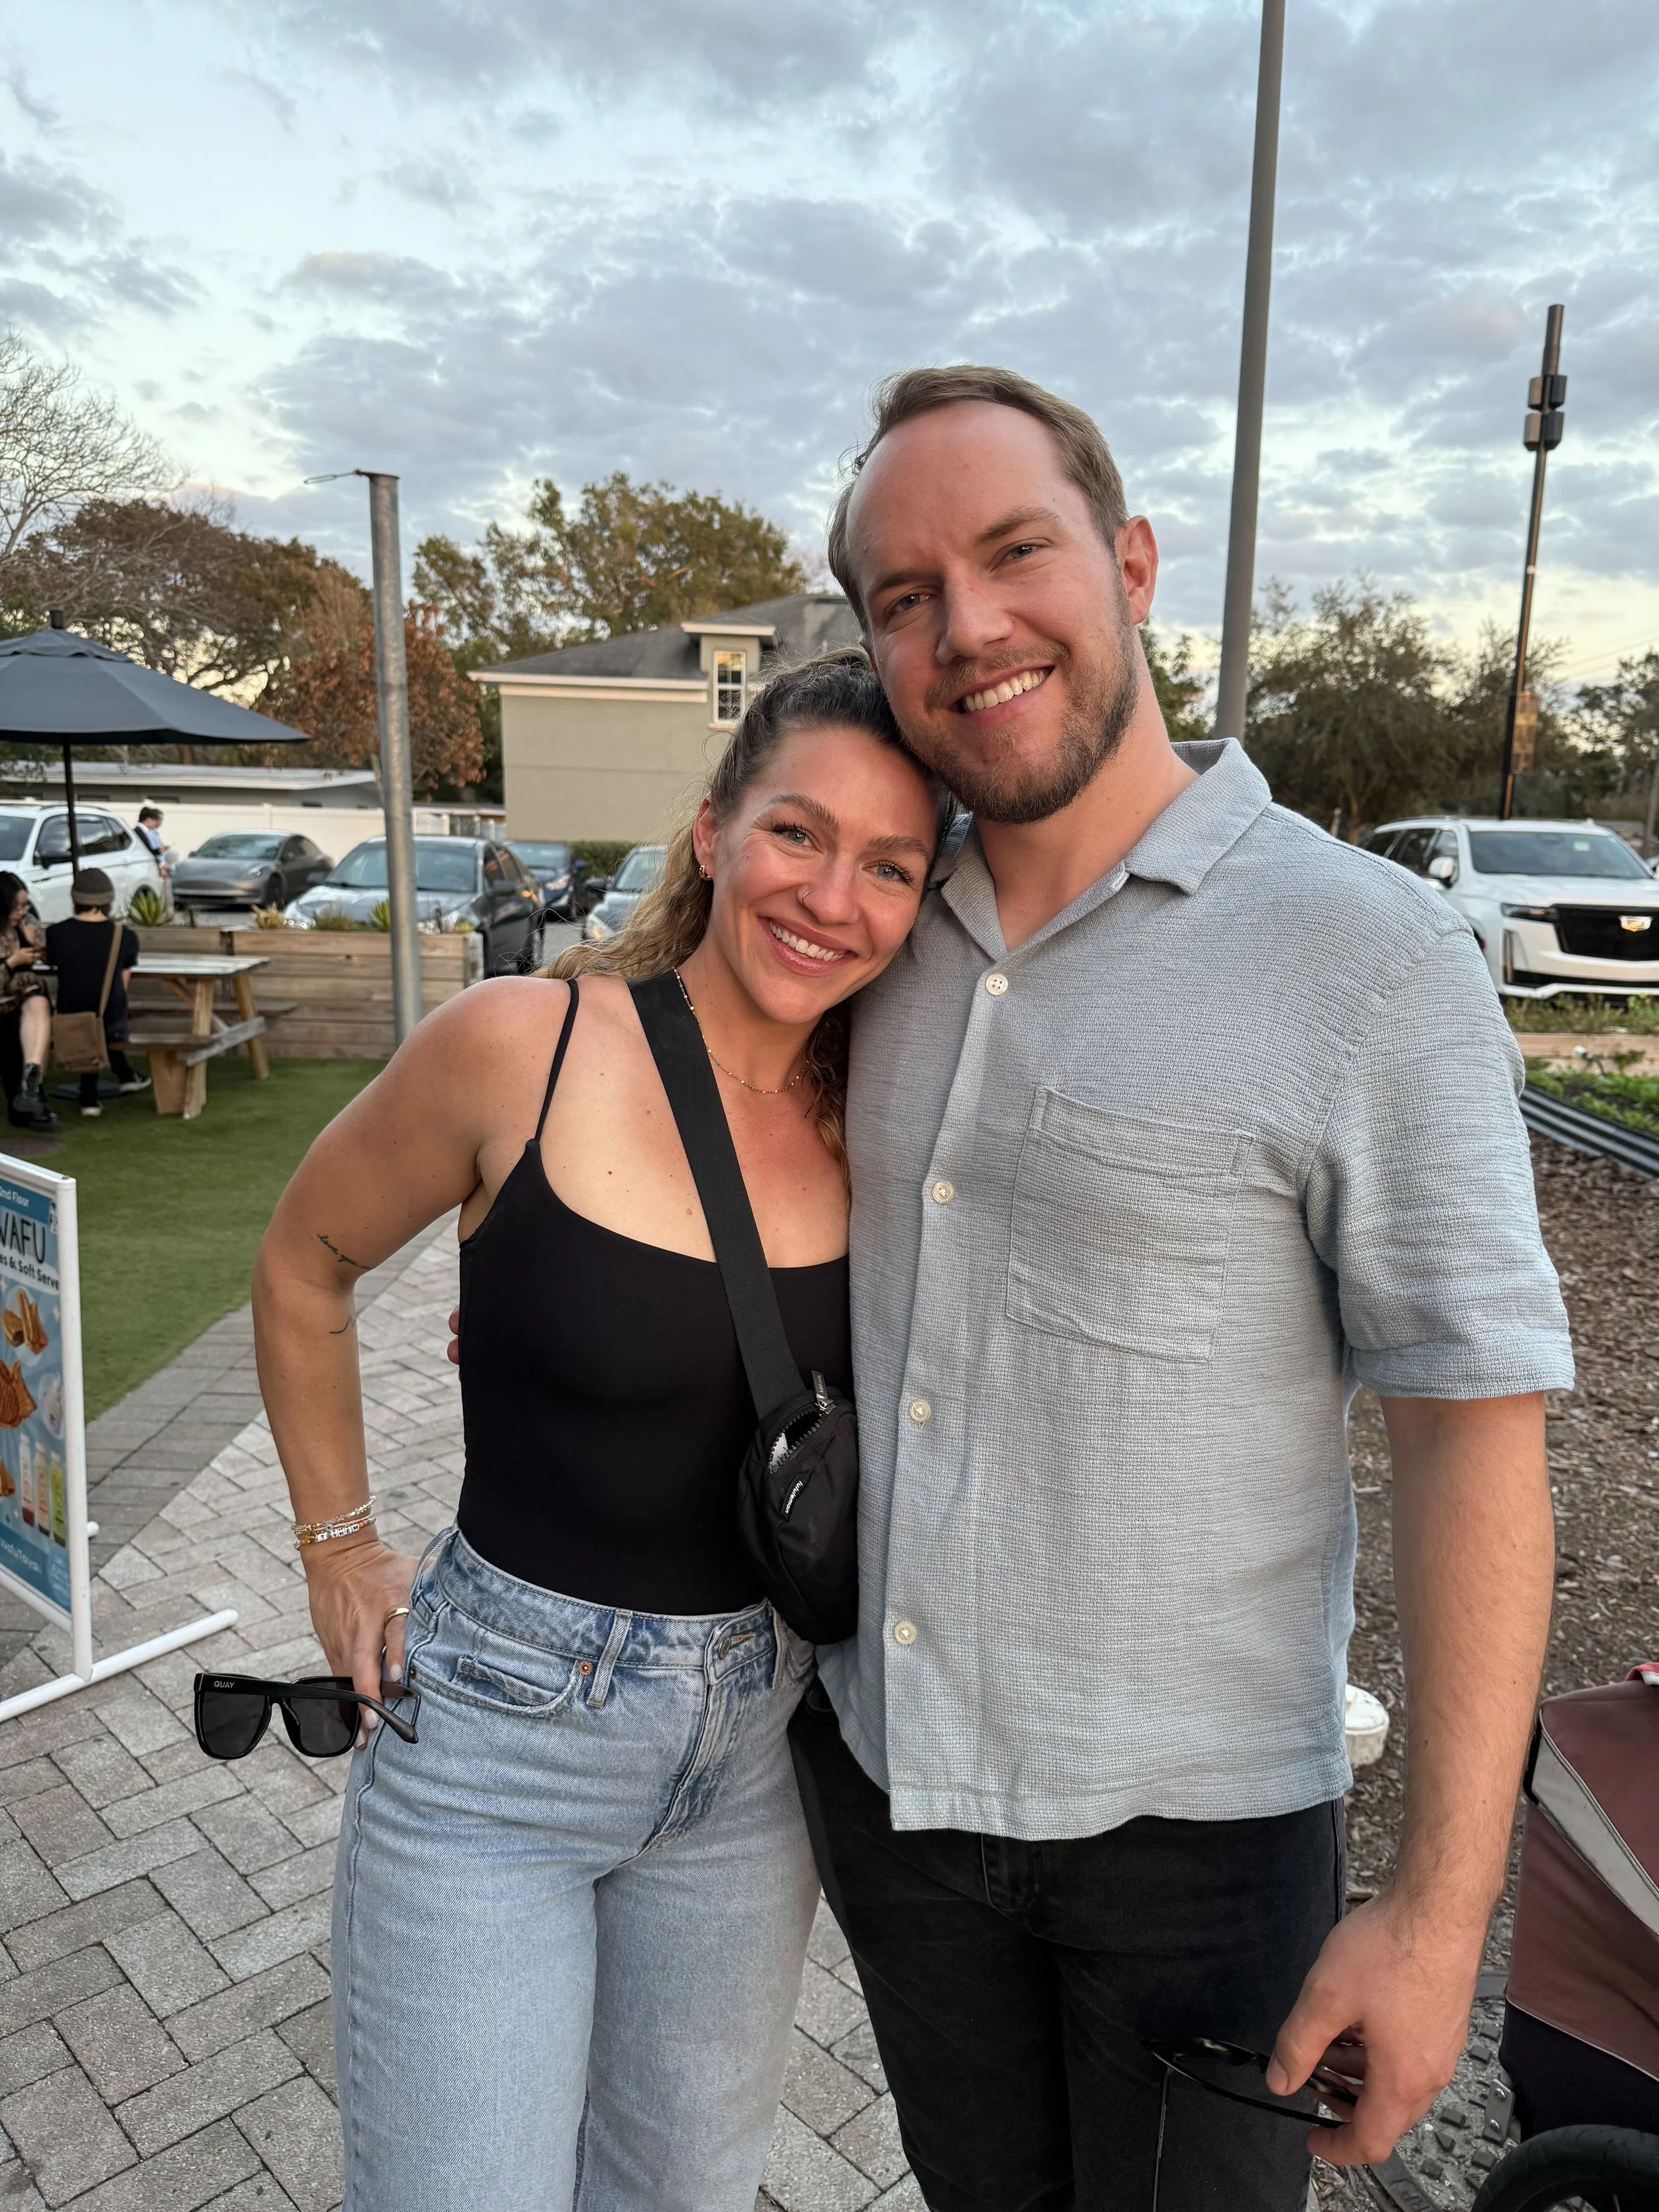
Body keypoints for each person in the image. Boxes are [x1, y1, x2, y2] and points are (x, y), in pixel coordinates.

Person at [776, 368, 1573, 2211]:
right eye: (901, 596)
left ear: (1129, 564)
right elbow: (704, 1119)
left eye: (1010, 552)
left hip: (1196, 1854)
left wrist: (1439, 1907)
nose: (963, 626)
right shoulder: (879, 921)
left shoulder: (1365, 956)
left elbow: (1474, 1438)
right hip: (892, 1793)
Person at [251, 653, 948, 2212]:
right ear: (711, 831)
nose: (833, 895)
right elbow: (303, 1259)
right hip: (496, 1747)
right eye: (798, 833)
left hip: (755, 1762)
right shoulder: (526, 1045)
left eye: (889, 865)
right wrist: (337, 1546)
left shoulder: (893, 1117)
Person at [44, 870, 149, 1117]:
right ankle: (114, 1082)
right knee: (101, 1020)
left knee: (88, 1021)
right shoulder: (125, 936)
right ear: (108, 900)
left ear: (75, 898)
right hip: (110, 1015)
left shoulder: (56, 934)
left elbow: (57, 963)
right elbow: (123, 980)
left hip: (70, 1013)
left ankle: (96, 1092)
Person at [0, 875, 58, 1134]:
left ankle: (30, 1086)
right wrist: (12, 962)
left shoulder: (21, 927)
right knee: (18, 1028)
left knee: (38, 1005)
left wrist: (37, 950)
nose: (21, 912)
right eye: (16, 907)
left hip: (18, 1007)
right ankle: (29, 1095)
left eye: (24, 906)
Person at [135, 806, 168, 877]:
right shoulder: (138, 832)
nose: (156, 823)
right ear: (148, 820)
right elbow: (147, 851)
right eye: (155, 821)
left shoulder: (145, 832)